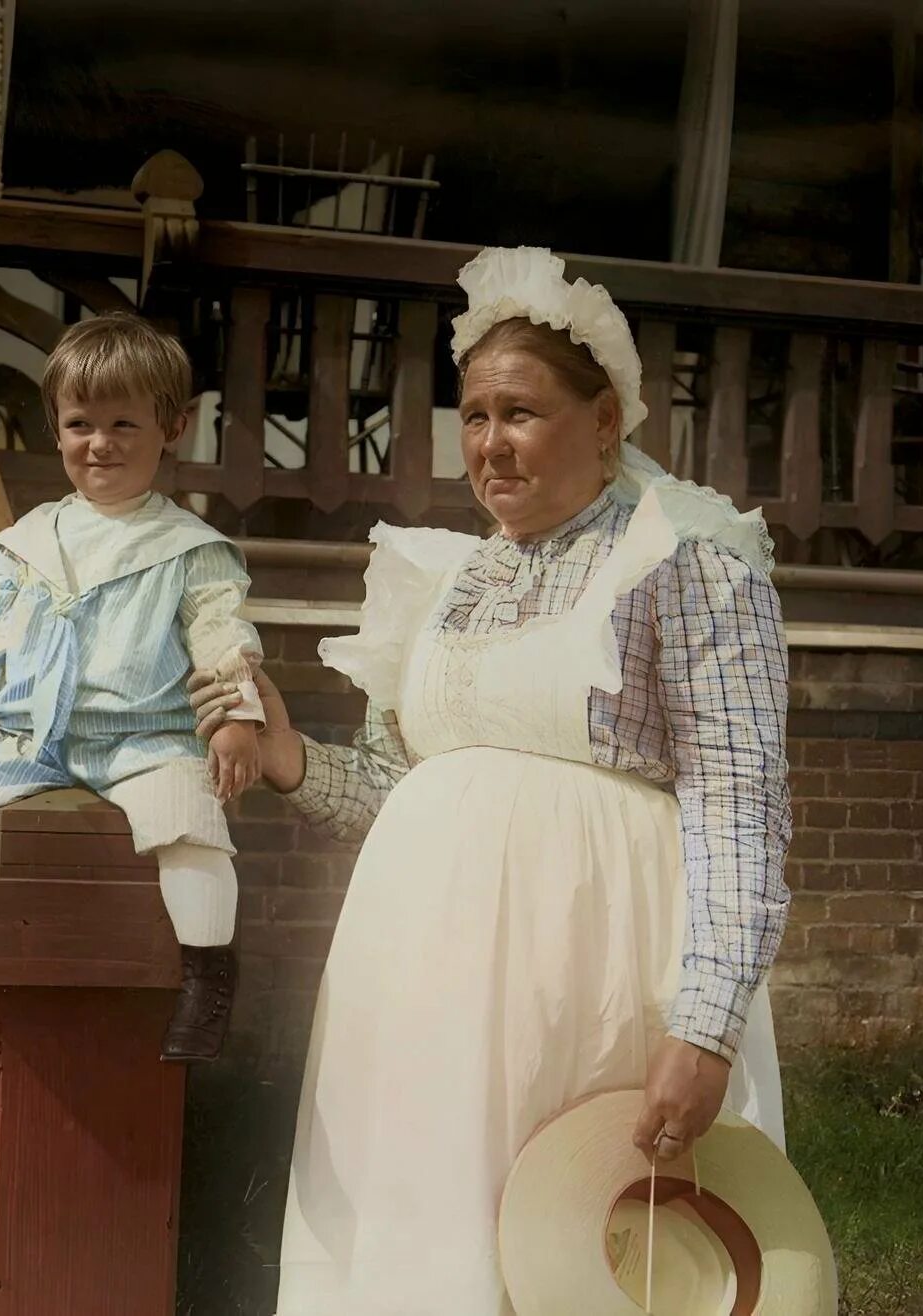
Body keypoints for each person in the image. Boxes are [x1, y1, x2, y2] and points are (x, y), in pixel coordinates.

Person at [192, 247, 793, 1313]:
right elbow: (400, 794)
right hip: (422, 988)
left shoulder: (686, 558)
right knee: (425, 1248)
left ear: (606, 421)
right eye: (472, 415)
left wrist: (706, 1026)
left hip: (590, 972)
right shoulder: (444, 579)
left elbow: (741, 804)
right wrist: (292, 762)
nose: (489, 446)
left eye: (520, 413)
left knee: (576, 1251)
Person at [0, 313, 264, 1064]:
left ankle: (206, 985)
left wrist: (232, 719)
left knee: (191, 824)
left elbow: (221, 638)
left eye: (125, 423)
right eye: (80, 424)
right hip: (32, 733)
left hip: (143, 734)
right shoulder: (28, 540)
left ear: (173, 426)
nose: (100, 444)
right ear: (57, 429)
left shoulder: (188, 548)